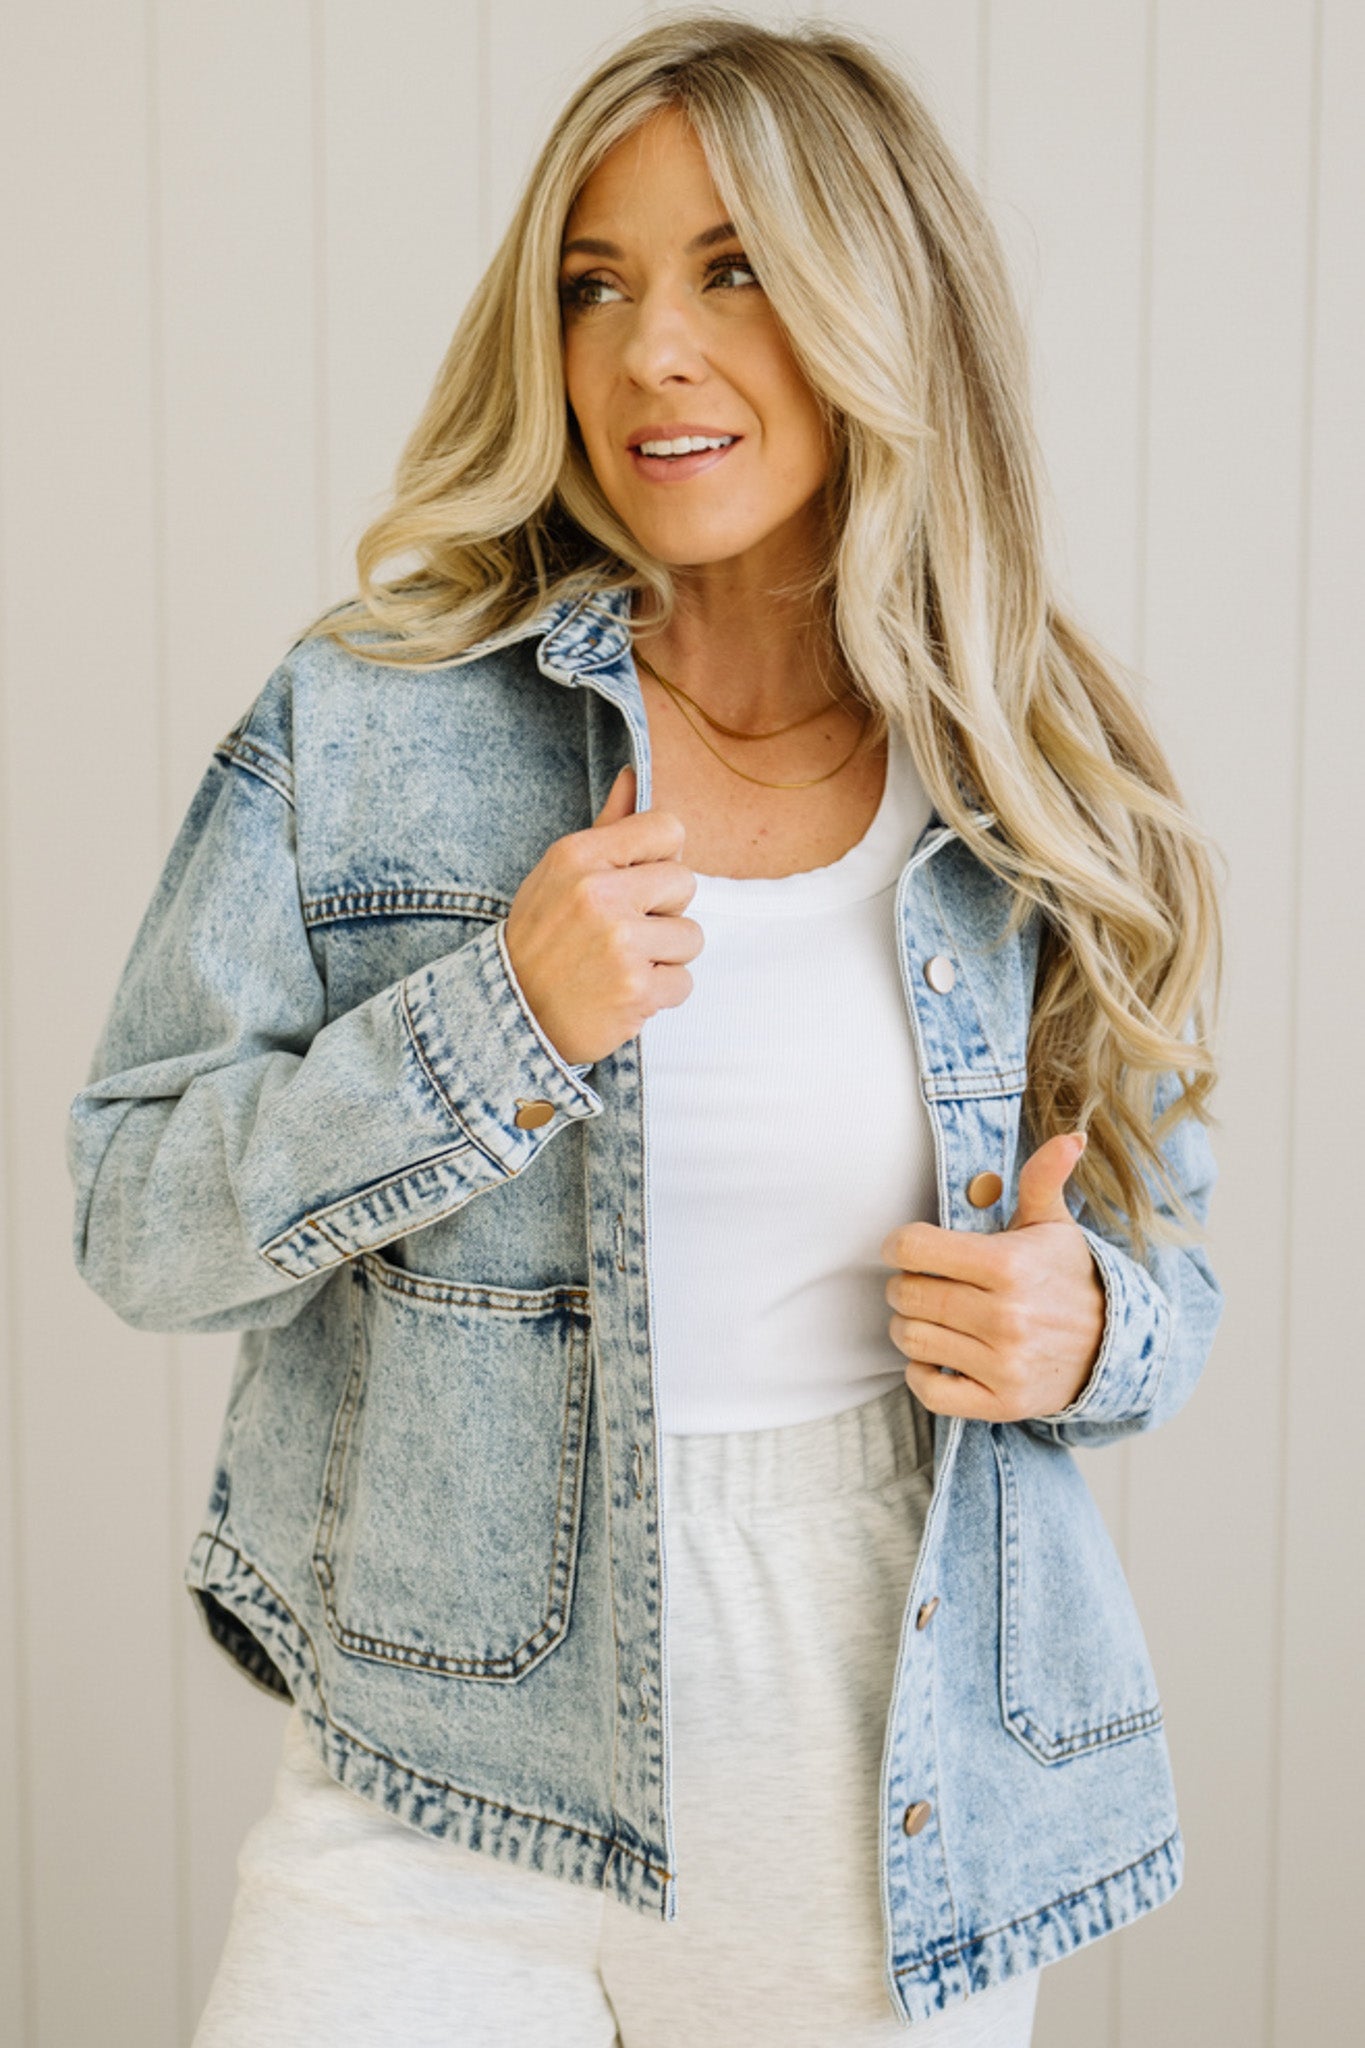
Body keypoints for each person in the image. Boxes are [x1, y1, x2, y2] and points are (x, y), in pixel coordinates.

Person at [67, 11, 1224, 2044]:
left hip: (873, 1760)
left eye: (733, 272)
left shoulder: (1034, 775)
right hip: (438, 1764)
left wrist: (1086, 1327)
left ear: (883, 310)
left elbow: (1161, 1282)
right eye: (592, 284)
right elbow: (137, 1221)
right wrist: (492, 1025)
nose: (642, 352)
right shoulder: (370, 716)